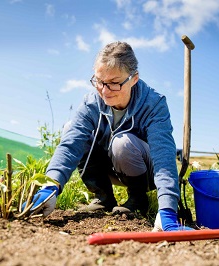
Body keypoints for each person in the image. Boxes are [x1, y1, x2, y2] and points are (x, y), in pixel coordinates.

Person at [23, 41, 193, 231]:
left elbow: (163, 157)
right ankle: (104, 198)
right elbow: (71, 145)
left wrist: (168, 210)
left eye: (113, 83)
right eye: (99, 81)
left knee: (123, 143)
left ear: (134, 78)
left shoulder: (154, 104)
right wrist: (50, 186)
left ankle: (138, 200)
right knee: (70, 128)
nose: (104, 91)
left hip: (146, 170)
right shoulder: (91, 103)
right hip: (111, 167)